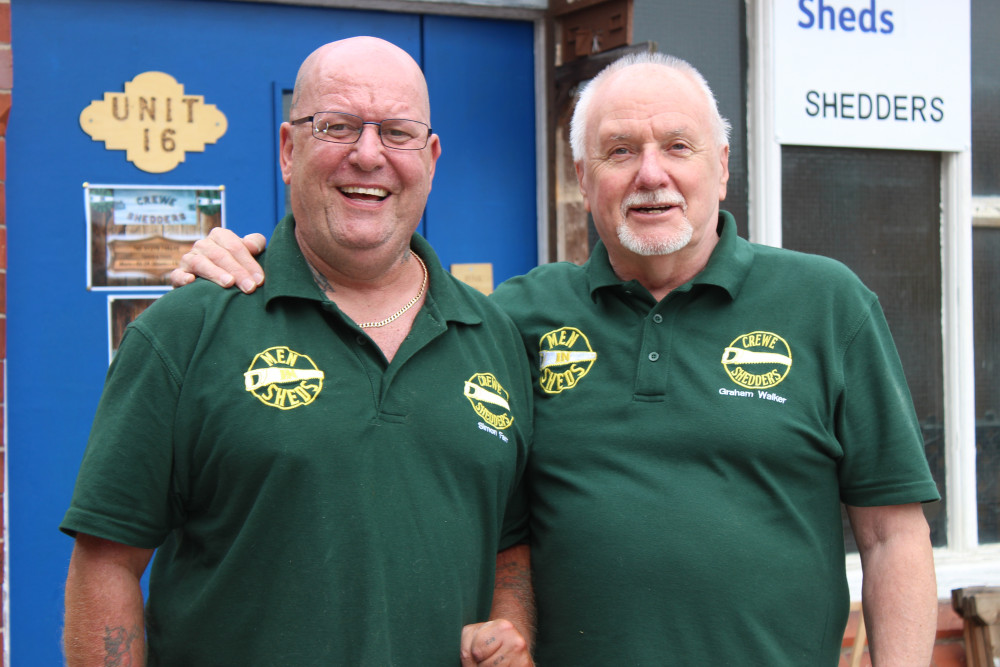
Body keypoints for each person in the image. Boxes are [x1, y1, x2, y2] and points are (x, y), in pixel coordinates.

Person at [174, 52, 941, 666]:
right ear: (583, 179)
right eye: (619, 151)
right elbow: (373, 312)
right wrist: (241, 261)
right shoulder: (515, 319)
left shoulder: (826, 303)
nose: (651, 174)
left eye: (678, 146)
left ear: (723, 166)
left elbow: (891, 535)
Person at [62, 37, 535, 667]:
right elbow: (107, 565)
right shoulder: (189, 326)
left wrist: (506, 627)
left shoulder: (493, 336)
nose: (368, 156)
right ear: (289, 150)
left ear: (430, 157)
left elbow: (509, 544)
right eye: (337, 127)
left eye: (397, 133)